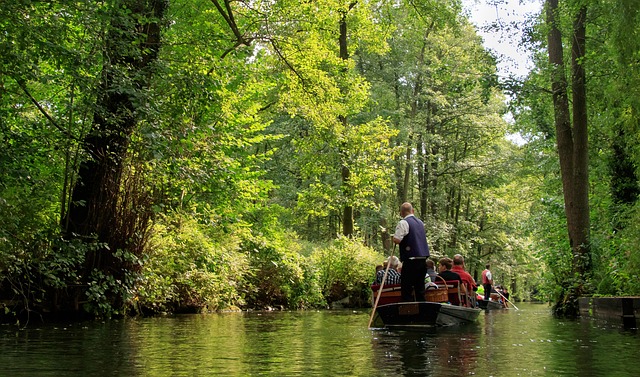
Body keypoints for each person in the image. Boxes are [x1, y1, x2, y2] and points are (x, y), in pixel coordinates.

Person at [393, 202, 430, 302]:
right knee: (420, 288)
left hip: (411, 261)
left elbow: (397, 239)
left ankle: (408, 310)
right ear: (412, 211)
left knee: (407, 288)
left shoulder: (403, 223)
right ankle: (422, 310)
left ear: (401, 213)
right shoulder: (420, 223)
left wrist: (394, 237)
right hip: (422, 260)